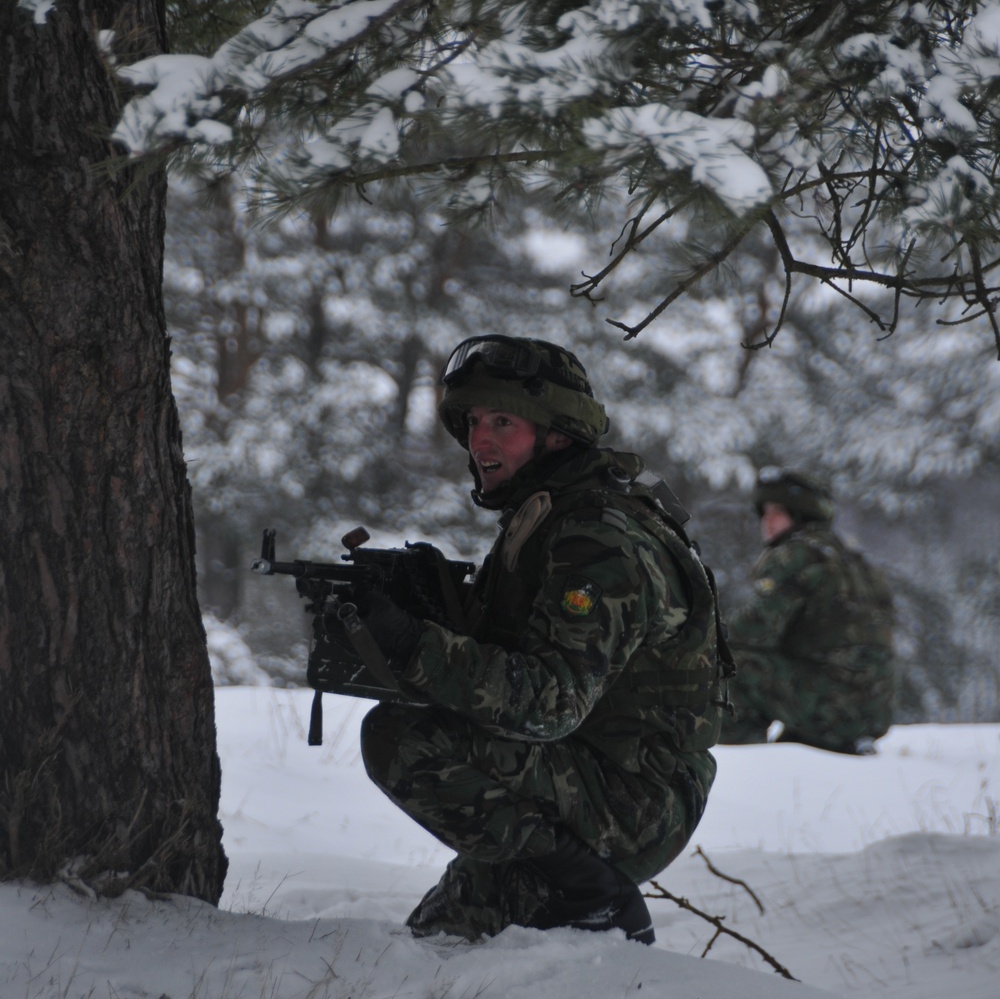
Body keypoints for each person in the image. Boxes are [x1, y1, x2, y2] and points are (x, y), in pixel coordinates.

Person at [330, 334, 730, 945]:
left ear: (558, 433)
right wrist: (433, 605)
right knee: (438, 949)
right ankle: (574, 886)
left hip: (631, 799)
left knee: (400, 737)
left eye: (502, 421)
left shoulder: (597, 538)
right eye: (471, 422)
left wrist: (415, 643)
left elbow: (550, 703)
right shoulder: (551, 516)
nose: (479, 440)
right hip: (590, 777)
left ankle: (595, 894)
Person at [718, 467, 896, 755]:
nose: (767, 521)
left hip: (832, 706)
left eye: (777, 512)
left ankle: (746, 759)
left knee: (731, 665)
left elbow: (755, 631)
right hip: (872, 712)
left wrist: (706, 637)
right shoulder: (854, 559)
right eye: (764, 513)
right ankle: (805, 744)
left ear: (801, 514)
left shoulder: (795, 554)